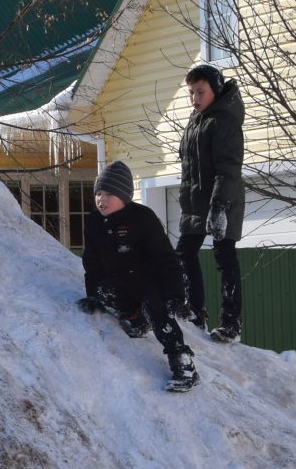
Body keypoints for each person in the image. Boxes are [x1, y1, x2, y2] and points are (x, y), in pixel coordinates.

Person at [78, 161, 199, 393]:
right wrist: (93, 294)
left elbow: (166, 258)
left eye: (109, 194)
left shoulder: (143, 218)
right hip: (123, 281)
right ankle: (136, 320)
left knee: (155, 309)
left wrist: (175, 295)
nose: (101, 199)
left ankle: (183, 365)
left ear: (124, 196)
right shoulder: (94, 222)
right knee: (105, 291)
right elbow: (91, 262)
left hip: (151, 280)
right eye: (99, 193)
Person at [176, 63, 246, 343]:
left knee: (224, 257)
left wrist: (218, 208)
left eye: (200, 92)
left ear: (215, 90)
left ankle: (231, 324)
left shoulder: (224, 121)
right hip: (196, 202)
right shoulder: (197, 120)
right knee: (184, 253)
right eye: (191, 93)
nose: (195, 98)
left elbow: (227, 169)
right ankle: (194, 312)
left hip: (222, 200)